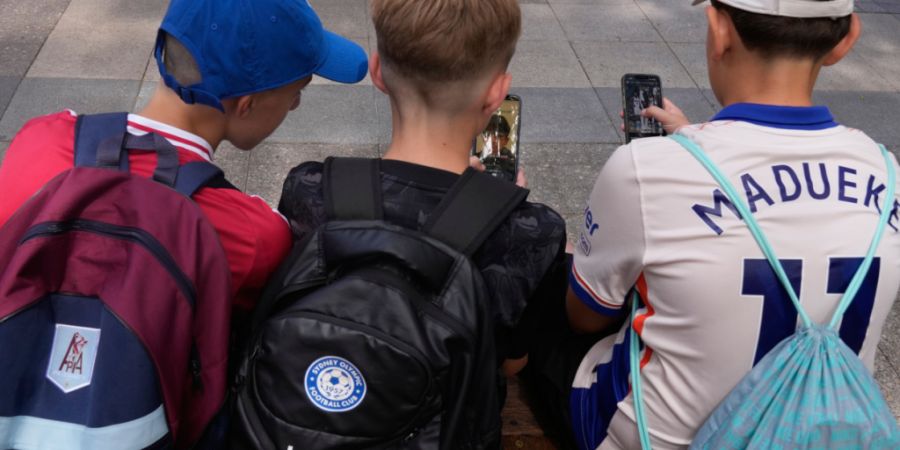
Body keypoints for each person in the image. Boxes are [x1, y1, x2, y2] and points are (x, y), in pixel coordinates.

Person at [525, 0, 900, 448]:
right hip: (822, 431)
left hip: (650, 438)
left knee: (552, 292)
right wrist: (693, 140)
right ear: (847, 38)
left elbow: (584, 319)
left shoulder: (647, 169)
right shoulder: (887, 172)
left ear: (719, 29)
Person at [0, 0, 368, 317]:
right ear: (246, 105)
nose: (296, 105)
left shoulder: (40, 137)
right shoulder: (253, 236)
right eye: (296, 92)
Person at [278, 0, 567, 378]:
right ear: (497, 93)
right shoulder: (532, 232)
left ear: (378, 71)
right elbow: (511, 364)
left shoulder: (309, 190)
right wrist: (497, 204)